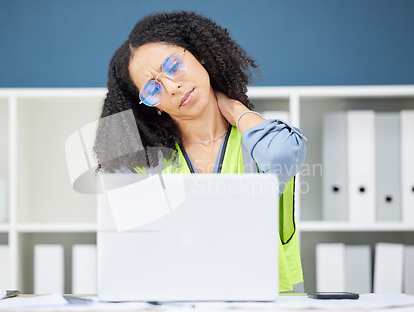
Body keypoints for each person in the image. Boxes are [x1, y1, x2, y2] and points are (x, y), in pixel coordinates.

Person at [94, 11, 307, 292]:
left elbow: (282, 156)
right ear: (152, 105)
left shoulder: (258, 138)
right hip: (175, 302)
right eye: (153, 88)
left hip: (268, 302)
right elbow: (130, 253)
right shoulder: (141, 163)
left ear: (200, 56)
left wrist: (235, 109)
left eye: (173, 65)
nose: (172, 87)